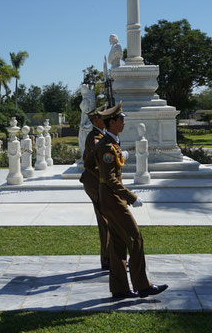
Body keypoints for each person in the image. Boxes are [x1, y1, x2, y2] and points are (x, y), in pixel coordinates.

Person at [95, 102, 168, 299]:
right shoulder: (106, 146)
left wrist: (121, 154)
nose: (124, 122)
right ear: (111, 123)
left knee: (118, 243)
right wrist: (131, 197)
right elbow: (109, 178)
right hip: (113, 199)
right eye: (121, 120)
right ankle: (143, 286)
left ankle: (120, 289)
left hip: (111, 197)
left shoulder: (111, 143)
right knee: (135, 238)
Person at [79, 105, 113, 270]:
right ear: (96, 120)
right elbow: (89, 163)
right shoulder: (95, 138)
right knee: (105, 222)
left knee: (106, 221)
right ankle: (107, 259)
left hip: (97, 183)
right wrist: (105, 178)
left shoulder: (101, 135)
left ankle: (109, 258)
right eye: (103, 117)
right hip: (95, 183)